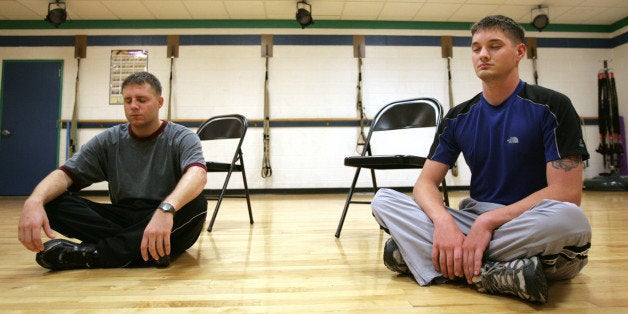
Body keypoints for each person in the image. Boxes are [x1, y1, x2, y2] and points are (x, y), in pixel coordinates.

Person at [371, 15, 591, 304]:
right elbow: (425, 183)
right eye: (476, 48)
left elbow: (566, 193)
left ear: (519, 52)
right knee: (384, 200)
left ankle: (439, 260)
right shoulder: (458, 117)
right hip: (472, 221)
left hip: (529, 222)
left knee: (571, 219)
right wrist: (443, 224)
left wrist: (488, 223)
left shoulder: (553, 106)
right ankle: (498, 272)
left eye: (495, 46)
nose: (483, 55)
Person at [18, 71, 208, 270]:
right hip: (124, 215)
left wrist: (166, 209)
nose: (134, 106)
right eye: (128, 100)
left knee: (197, 204)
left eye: (142, 99)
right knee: (50, 201)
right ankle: (140, 249)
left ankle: (96, 254)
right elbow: (65, 175)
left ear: (160, 102)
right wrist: (34, 201)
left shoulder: (182, 136)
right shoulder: (109, 139)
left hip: (168, 217)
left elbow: (198, 174)